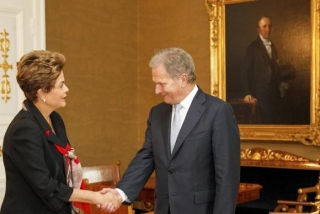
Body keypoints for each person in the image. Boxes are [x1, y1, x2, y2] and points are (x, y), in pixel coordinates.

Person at [100, 47, 240, 214]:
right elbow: (147, 156)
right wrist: (119, 193)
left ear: (182, 79)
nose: (157, 90)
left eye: (161, 83)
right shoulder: (157, 113)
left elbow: (227, 177)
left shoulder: (218, 111)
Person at [0, 50, 121, 214]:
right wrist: (95, 197)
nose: (67, 89)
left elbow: (62, 175)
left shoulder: (55, 119)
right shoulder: (23, 130)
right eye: (61, 85)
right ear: (42, 92)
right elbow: (47, 186)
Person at [241, 15, 281, 124]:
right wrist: (247, 93)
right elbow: (245, 72)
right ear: (258, 29)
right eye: (264, 26)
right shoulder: (252, 48)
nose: (267, 29)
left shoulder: (273, 46)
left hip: (274, 93)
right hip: (260, 94)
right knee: (266, 122)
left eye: (269, 26)